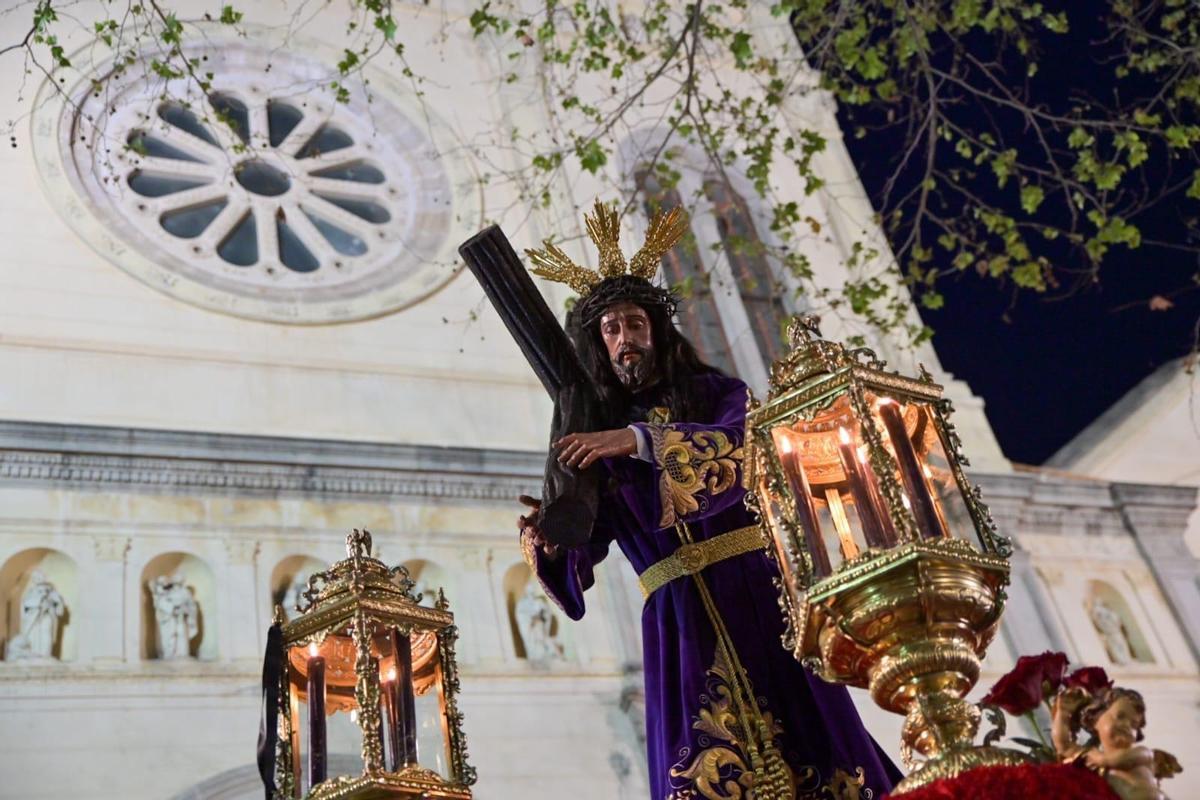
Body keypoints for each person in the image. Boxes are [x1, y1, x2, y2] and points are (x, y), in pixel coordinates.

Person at [518, 201, 900, 798]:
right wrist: (549, 537)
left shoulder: (717, 392)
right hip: (677, 616)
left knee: (819, 745)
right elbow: (587, 542)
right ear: (599, 344)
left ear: (656, 330)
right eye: (611, 329)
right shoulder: (593, 429)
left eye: (634, 324)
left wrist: (638, 441)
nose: (625, 339)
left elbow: (745, 453)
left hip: (754, 590)